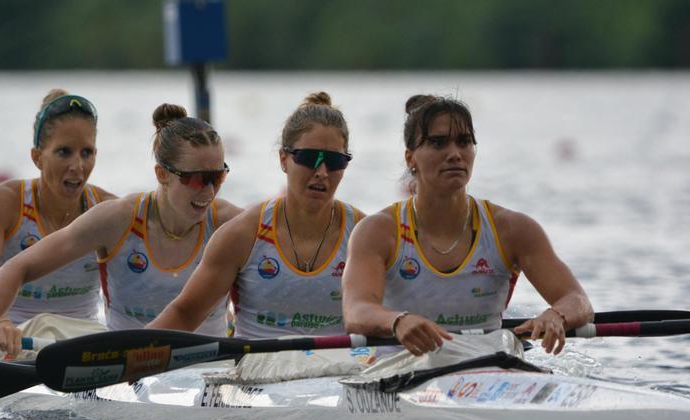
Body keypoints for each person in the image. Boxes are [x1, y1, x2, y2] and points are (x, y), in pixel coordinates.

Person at [0, 103, 241, 358]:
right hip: (121, 366)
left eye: (218, 177)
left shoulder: (233, 224)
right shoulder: (117, 219)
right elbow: (14, 267)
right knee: (47, 325)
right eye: (196, 179)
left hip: (198, 365)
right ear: (161, 174)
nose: (209, 190)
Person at [342, 95, 593, 356]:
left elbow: (578, 301)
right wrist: (397, 321)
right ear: (410, 158)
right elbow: (356, 311)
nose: (454, 154)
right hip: (400, 370)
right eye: (438, 143)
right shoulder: (377, 232)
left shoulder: (513, 229)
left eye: (464, 142)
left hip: (486, 370)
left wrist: (556, 315)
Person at [149, 92, 364, 337]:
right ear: (284, 159)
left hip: (338, 372)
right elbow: (184, 314)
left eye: (335, 161)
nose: (322, 172)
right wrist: (129, 353)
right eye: (310, 158)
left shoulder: (364, 234)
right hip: (257, 372)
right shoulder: (242, 235)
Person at [0, 89, 116, 343]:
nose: (77, 166)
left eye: (86, 153)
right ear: (37, 157)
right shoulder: (1, 204)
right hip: (14, 340)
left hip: (83, 344)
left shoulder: (108, 212)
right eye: (64, 152)